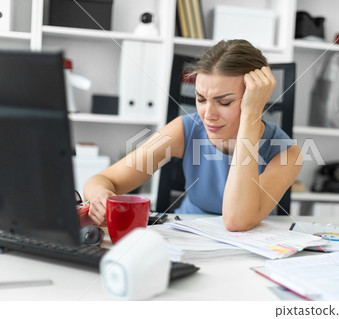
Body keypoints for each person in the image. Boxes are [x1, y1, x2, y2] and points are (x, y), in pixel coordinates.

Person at [84, 39, 302, 232]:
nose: (208, 115)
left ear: (255, 99)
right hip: (186, 236)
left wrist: (251, 116)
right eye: (201, 98)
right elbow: (102, 180)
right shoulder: (185, 129)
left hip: (250, 253)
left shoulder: (286, 154)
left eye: (224, 102)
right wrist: (100, 196)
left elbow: (237, 221)